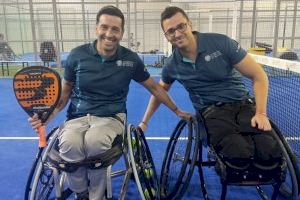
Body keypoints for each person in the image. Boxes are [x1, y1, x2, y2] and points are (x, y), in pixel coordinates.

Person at [29, 5, 190, 200]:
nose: (109, 33)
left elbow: (155, 88)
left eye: (115, 29)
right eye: (104, 27)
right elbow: (64, 94)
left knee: (95, 142)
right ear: (96, 28)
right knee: (69, 144)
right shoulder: (77, 56)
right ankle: (81, 193)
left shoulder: (130, 60)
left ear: (121, 33)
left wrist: (177, 110)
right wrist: (49, 116)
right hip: (77, 117)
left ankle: (97, 196)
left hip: (111, 118)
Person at [139, 6, 282, 170]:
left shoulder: (221, 42)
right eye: (171, 31)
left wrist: (261, 113)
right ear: (167, 36)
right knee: (238, 152)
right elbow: (158, 91)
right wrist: (145, 122)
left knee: (269, 151)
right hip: (211, 113)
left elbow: (259, 76)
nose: (177, 34)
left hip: (243, 105)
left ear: (190, 24)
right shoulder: (172, 65)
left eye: (181, 26)